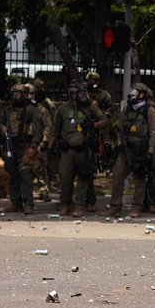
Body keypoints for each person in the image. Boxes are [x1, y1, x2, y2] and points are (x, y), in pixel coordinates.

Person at [48, 82, 107, 217]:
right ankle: (65, 204)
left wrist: (93, 124)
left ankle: (80, 205)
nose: (75, 95)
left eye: (77, 92)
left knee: (83, 177)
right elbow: (55, 129)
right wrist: (50, 147)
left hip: (84, 149)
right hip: (67, 149)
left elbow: (104, 120)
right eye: (72, 93)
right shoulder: (63, 109)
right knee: (65, 177)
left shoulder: (91, 106)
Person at [108, 84, 155, 218]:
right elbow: (119, 128)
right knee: (117, 177)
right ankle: (115, 207)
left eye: (136, 92)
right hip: (126, 150)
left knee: (139, 180)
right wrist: (119, 144)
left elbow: (154, 132)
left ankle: (137, 207)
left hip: (141, 150)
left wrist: (150, 151)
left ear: (142, 94)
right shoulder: (126, 108)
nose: (133, 94)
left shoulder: (149, 111)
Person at [2, 83, 45, 214]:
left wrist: (33, 146)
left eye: (19, 94)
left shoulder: (31, 110)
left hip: (25, 146)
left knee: (26, 175)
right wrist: (1, 128)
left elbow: (38, 129)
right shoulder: (7, 111)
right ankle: (16, 203)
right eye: (14, 94)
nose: (17, 97)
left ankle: (28, 204)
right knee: (13, 175)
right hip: (11, 146)